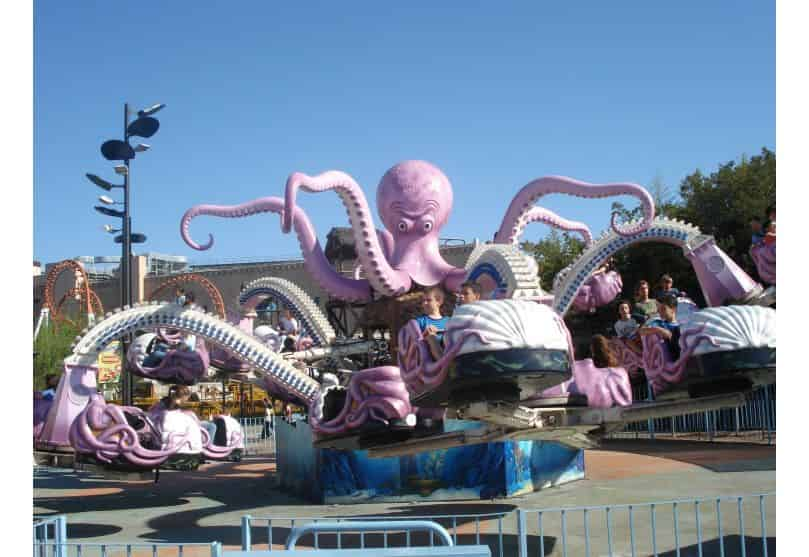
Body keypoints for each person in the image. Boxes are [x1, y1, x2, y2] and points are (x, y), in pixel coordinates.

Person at [638, 294, 681, 360]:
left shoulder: (679, 326)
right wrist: (659, 330)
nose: (660, 312)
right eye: (658, 309)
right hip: (666, 360)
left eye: (663, 309)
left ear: (673, 309)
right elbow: (641, 331)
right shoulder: (659, 323)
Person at [417, 286, 449, 361]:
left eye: (429, 300)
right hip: (427, 364)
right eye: (423, 300)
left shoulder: (449, 321)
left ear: (439, 302)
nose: (424, 303)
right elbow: (415, 344)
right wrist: (425, 334)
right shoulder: (419, 321)